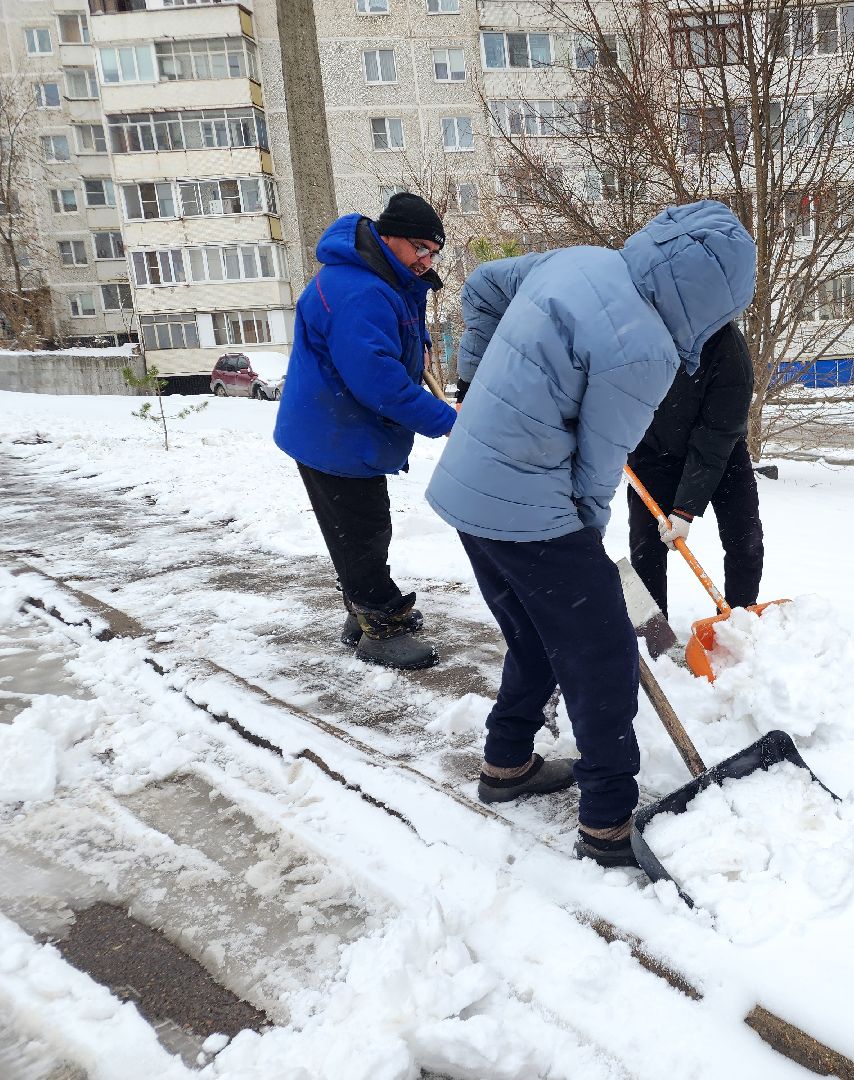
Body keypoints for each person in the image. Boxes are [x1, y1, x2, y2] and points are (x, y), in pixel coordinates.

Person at [426, 200, 756, 868]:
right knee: (602, 652)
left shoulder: (580, 260)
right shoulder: (649, 350)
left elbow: (483, 285)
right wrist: (587, 550)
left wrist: (476, 381)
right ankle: (607, 822)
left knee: (535, 635)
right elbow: (598, 469)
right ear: (713, 299)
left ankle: (507, 763)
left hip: (468, 487)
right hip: (530, 507)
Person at [274, 192, 457, 671]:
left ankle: (362, 612)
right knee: (363, 532)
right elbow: (380, 383)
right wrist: (446, 422)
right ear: (387, 236)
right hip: (335, 434)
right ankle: (380, 626)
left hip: (336, 429)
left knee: (352, 530)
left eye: (434, 252)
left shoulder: (378, 281)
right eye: (420, 247)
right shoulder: (360, 290)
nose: (426, 260)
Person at [626, 321, 763, 618]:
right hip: (653, 449)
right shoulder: (639, 329)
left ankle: (736, 624)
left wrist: (685, 509)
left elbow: (715, 435)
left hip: (723, 452)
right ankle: (651, 635)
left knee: (745, 540)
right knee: (645, 546)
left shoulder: (728, 348)